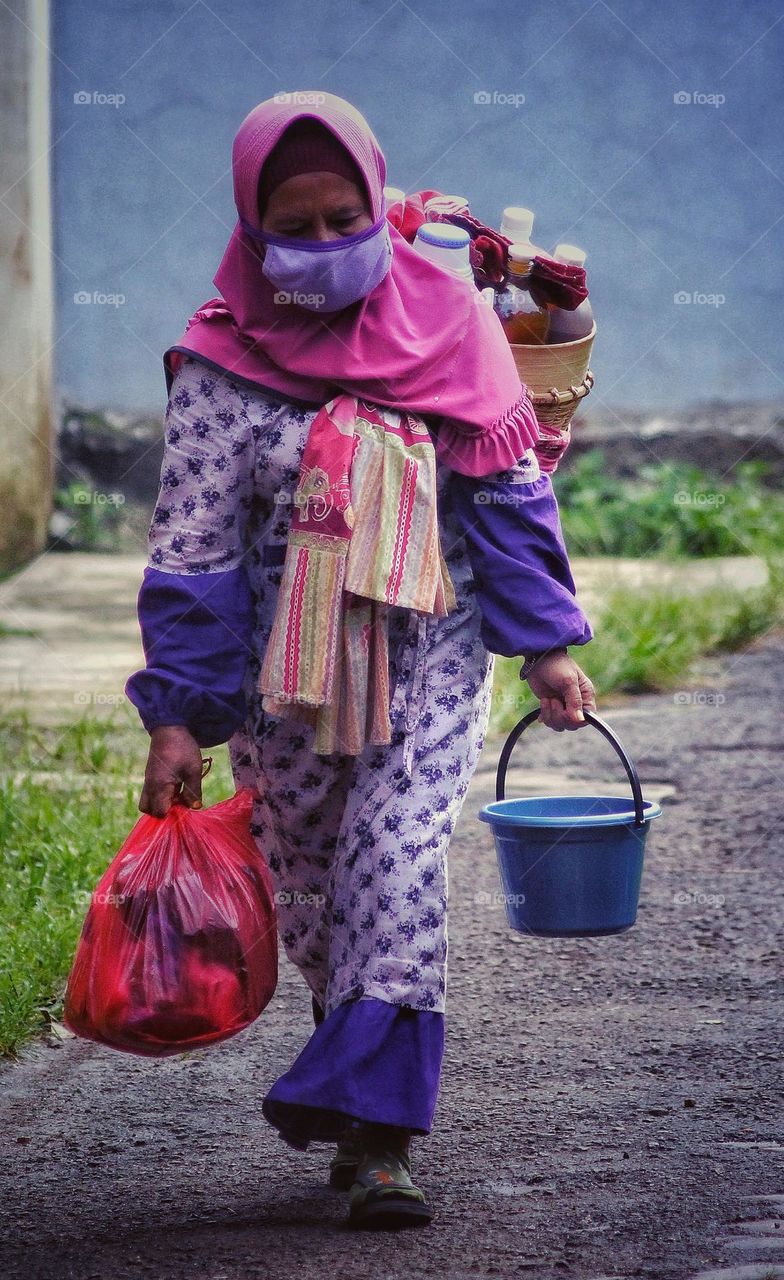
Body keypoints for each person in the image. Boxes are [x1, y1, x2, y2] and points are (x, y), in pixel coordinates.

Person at [126, 91, 596, 1230]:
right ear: (252, 227)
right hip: (283, 674)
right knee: (314, 890)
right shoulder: (219, 364)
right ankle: (350, 1081)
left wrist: (545, 644)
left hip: (430, 643)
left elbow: (505, 490)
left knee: (395, 859)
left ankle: (383, 1137)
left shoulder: (450, 322)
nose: (326, 243)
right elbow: (193, 550)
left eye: (347, 219)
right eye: (296, 226)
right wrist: (178, 715)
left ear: (379, 208)